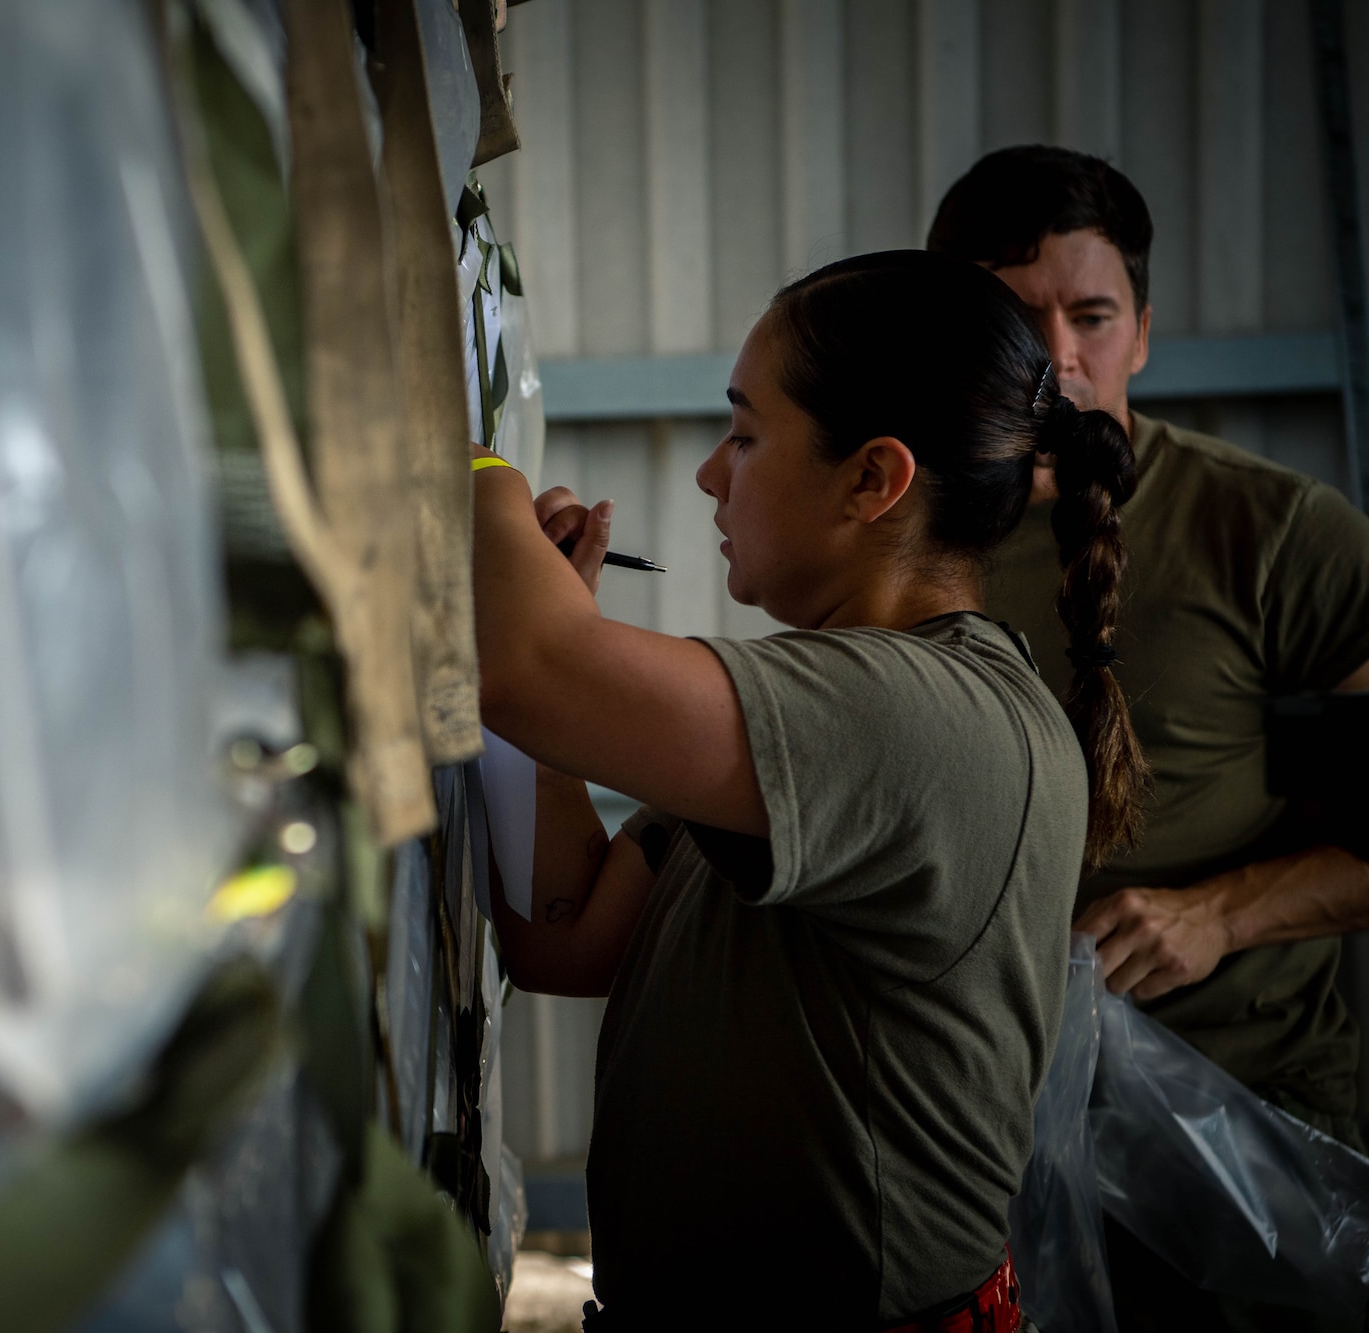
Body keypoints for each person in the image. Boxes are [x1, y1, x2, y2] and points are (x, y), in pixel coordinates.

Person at [470, 249, 1140, 1329]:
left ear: (873, 480)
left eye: (742, 435)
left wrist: (466, 466)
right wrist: (555, 655)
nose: (707, 475)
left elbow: (522, 665)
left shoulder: (911, 715)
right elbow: (565, 937)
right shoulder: (829, 713)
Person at [929, 144, 1369, 1332]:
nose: (1060, 358)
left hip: (1247, 1123)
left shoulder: (1271, 535)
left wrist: (1217, 913)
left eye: (1092, 315)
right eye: (1018, 320)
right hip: (965, 1126)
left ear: (1143, 329)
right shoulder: (887, 529)